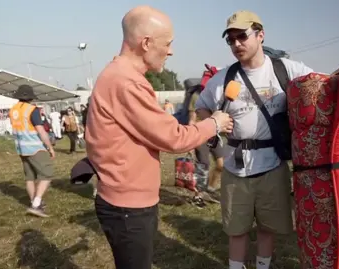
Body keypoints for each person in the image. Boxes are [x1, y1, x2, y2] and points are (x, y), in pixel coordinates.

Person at [84, 6, 233, 269]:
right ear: (146, 43)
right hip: (128, 206)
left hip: (124, 200)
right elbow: (173, 138)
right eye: (168, 43)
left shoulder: (119, 75)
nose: (171, 51)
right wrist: (214, 123)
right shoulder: (126, 81)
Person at [195, 10, 313, 269]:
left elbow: (319, 86)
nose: (236, 44)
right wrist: (213, 127)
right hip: (235, 167)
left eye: (242, 36)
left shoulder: (286, 69)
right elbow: (202, 108)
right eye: (231, 40)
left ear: (260, 35)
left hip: (273, 164)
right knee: (236, 229)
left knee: (267, 227)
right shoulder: (223, 78)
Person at [8, 85, 55, 218]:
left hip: (21, 148)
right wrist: (50, 147)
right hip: (35, 147)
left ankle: (34, 202)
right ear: (30, 97)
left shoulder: (13, 110)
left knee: (30, 177)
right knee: (47, 174)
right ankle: (36, 204)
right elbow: (41, 131)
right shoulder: (32, 110)